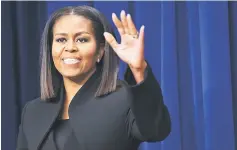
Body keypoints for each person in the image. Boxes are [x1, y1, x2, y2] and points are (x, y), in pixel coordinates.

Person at [16, 5, 171, 150]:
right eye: (61, 40)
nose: (70, 47)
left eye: (82, 39)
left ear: (100, 51)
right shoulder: (32, 111)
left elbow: (156, 130)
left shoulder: (125, 98)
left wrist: (138, 68)